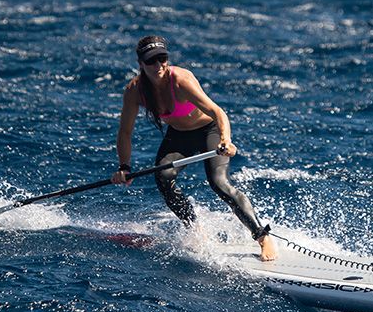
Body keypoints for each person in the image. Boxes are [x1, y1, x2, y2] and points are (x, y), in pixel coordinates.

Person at [111, 35, 277, 261]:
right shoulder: (135, 91)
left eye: (163, 58)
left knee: (219, 183)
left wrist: (226, 141)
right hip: (179, 135)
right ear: (140, 64)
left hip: (209, 130)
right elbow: (125, 132)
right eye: (152, 61)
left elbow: (218, 112)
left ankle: (262, 236)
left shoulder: (180, 81)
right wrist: (124, 166)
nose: (159, 65)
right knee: (163, 176)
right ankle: (195, 228)